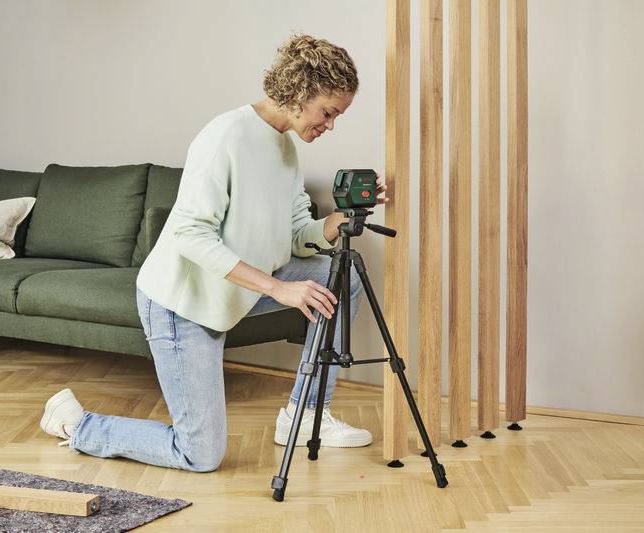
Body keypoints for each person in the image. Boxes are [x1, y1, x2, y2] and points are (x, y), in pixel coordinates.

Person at [39, 33, 389, 473]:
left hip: (234, 290)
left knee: (345, 276)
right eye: (328, 112)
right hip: (181, 305)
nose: (330, 124)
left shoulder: (285, 149)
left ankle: (303, 415)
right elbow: (189, 234)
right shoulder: (225, 136)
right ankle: (78, 424)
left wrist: (342, 217)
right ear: (301, 91)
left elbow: (300, 232)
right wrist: (279, 288)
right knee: (200, 454)